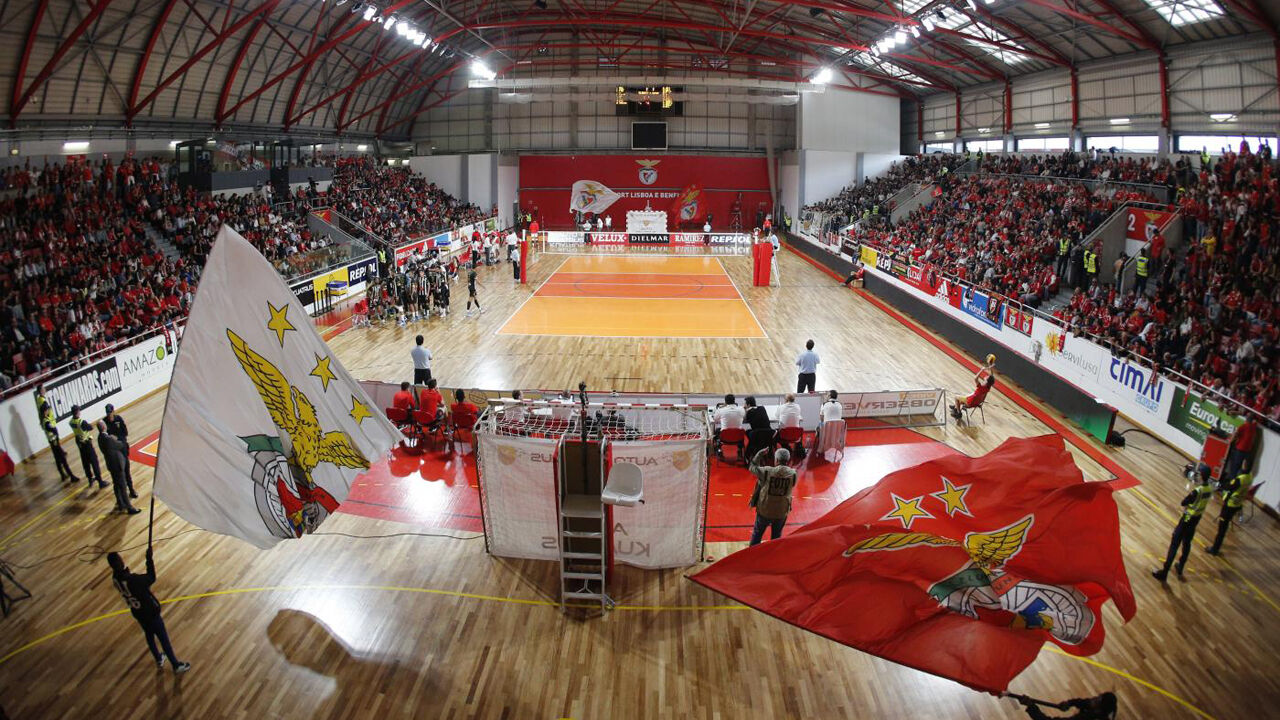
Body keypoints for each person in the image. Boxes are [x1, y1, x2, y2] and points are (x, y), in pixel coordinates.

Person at [107, 548, 191, 674]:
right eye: (120, 559)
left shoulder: (115, 579)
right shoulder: (132, 580)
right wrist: (149, 559)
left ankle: (158, 658)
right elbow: (151, 577)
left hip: (138, 612)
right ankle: (175, 665)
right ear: (117, 563)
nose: (122, 560)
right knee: (163, 639)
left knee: (149, 635)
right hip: (149, 612)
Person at [1152, 464, 1215, 582]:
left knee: (1175, 544)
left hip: (1187, 519)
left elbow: (1183, 502)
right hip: (1196, 520)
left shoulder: (1197, 491)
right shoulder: (1209, 489)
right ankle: (1181, 566)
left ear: (1201, 476)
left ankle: (1164, 572)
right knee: (1187, 543)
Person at [747, 448, 797, 546]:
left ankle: (752, 552)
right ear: (788, 460)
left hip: (765, 510)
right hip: (781, 511)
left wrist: (759, 454)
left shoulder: (767, 471)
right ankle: (773, 553)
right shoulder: (793, 474)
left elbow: (752, 467)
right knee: (776, 537)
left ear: (776, 460)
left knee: (757, 534)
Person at [1208, 462, 1253, 556]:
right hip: (1237, 504)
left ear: (1244, 466)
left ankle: (1215, 549)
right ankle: (1217, 545)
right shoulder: (1250, 477)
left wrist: (1222, 484)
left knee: (1222, 528)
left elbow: (1229, 486)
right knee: (1224, 526)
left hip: (1229, 506)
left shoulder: (1240, 479)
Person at [37, 390, 78, 483]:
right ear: (45, 411)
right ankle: (71, 476)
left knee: (58, 459)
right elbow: (52, 429)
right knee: (63, 459)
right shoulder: (46, 421)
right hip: (54, 441)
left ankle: (63, 475)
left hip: (52, 442)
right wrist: (55, 432)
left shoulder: (44, 420)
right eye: (47, 410)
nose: (49, 411)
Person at [98, 421, 139, 514]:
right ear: (104, 427)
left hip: (110, 464)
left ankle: (120, 502)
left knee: (116, 484)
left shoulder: (99, 438)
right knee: (122, 486)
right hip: (117, 465)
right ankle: (129, 507)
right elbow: (120, 445)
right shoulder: (108, 439)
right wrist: (115, 439)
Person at [103, 402, 136, 497]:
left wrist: (117, 438)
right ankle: (121, 495)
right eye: (107, 413)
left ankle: (131, 489)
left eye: (110, 412)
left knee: (126, 471)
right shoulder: (104, 422)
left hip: (122, 448)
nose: (109, 414)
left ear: (113, 411)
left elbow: (125, 432)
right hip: (114, 452)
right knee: (118, 475)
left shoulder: (118, 419)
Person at [951, 355, 996, 422]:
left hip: (970, 403)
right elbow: (991, 377)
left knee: (956, 397)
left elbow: (975, 378)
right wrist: (991, 366)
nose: (986, 376)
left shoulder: (980, 387)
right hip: (977, 403)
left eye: (987, 377)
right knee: (968, 395)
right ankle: (955, 407)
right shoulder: (988, 388)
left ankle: (958, 412)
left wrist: (981, 370)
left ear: (986, 381)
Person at [1009, 692, 1117, 720]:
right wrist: (1069, 703)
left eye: (1097, 700)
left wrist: (1031, 707)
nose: (1092, 699)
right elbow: (1084, 702)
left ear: (1098, 710)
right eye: (1097, 697)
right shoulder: (1106, 708)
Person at [70, 405, 105, 489]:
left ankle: (90, 479)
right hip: (86, 443)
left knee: (85, 463)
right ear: (77, 412)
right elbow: (90, 427)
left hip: (80, 443)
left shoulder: (71, 422)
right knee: (94, 462)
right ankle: (100, 481)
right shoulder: (81, 422)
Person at [1222, 412, 1258, 482]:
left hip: (1240, 450)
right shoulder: (1253, 426)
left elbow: (1235, 435)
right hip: (1247, 451)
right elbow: (1256, 421)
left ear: (1246, 418)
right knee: (1243, 468)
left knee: (1234, 467)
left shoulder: (1243, 427)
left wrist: (1230, 441)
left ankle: (1231, 482)